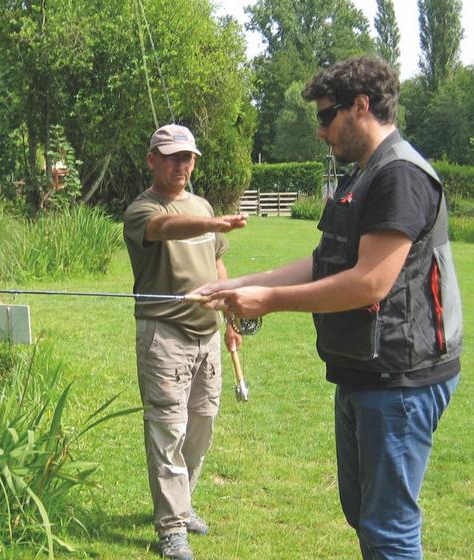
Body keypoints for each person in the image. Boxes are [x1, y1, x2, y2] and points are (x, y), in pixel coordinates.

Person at [194, 56, 463, 559]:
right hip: (365, 371)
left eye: (325, 117)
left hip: (401, 379)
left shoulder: (399, 175)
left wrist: (267, 301)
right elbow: (325, 262)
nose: (320, 132)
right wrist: (235, 285)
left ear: (361, 106)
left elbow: (369, 283)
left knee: (389, 529)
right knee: (365, 516)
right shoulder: (361, 174)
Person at [123, 123, 247, 559]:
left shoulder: (201, 203)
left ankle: (184, 501)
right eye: (172, 156)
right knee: (168, 430)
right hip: (164, 335)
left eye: (188, 157)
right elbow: (166, 229)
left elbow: (217, 263)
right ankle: (171, 527)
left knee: (201, 426)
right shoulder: (143, 210)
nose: (181, 164)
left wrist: (231, 315)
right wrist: (212, 221)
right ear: (152, 159)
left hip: (207, 335)